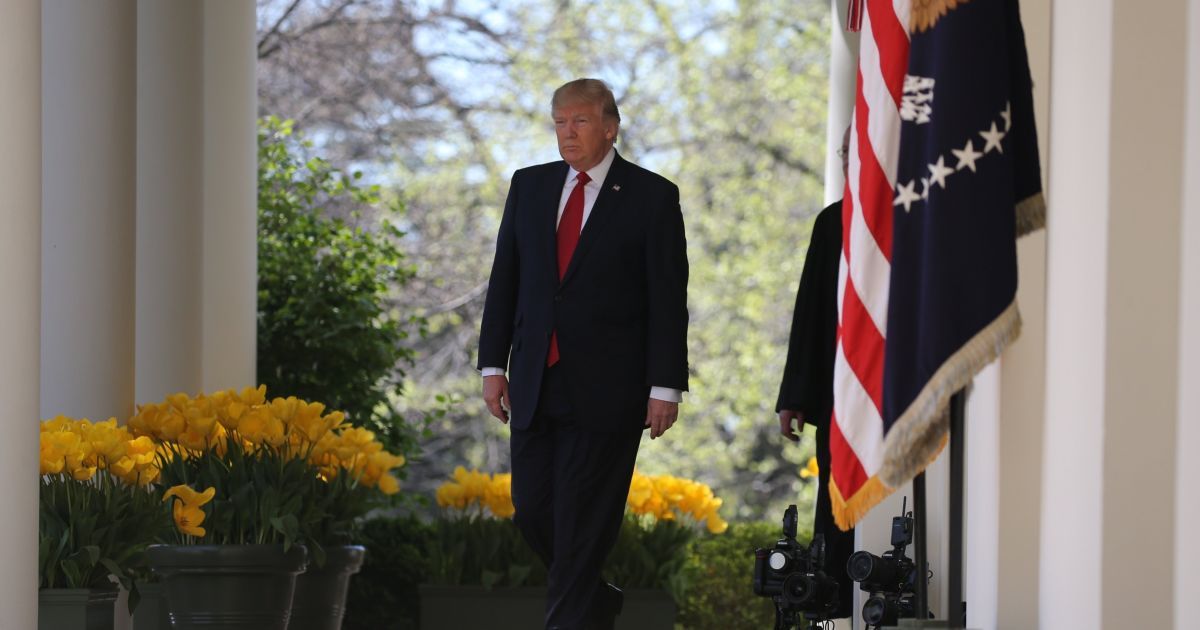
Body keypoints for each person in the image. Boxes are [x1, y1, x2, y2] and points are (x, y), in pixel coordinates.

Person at [477, 78, 689, 630]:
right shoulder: (529, 186)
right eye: (560, 123)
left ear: (610, 127)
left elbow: (668, 298)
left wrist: (665, 385)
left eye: (580, 121)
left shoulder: (652, 196)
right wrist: (493, 365)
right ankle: (595, 598)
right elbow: (505, 280)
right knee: (533, 512)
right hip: (534, 380)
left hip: (609, 390)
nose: (567, 133)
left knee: (580, 521)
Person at [776, 126, 855, 619]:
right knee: (835, 511)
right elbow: (810, 314)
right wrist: (794, 396)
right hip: (837, 396)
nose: (850, 160)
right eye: (847, 151)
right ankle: (837, 616)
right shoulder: (832, 223)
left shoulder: (918, 217)